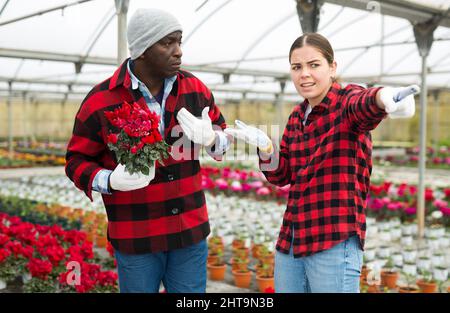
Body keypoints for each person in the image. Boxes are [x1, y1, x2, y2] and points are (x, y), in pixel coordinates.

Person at [225, 33, 417, 293]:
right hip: (292, 239)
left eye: (314, 65)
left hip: (333, 240)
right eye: (297, 67)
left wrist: (384, 98)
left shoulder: (346, 102)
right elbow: (282, 176)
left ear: (332, 67)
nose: (304, 74)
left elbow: (363, 104)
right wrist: (266, 148)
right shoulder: (297, 116)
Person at [65, 8, 230, 293]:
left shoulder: (194, 89)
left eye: (180, 41)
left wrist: (213, 138)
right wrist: (107, 179)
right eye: (168, 43)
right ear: (142, 50)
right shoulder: (101, 100)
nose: (178, 51)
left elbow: (222, 135)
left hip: (189, 234)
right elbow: (76, 160)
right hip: (136, 237)